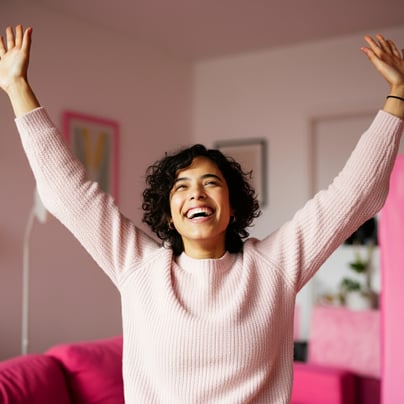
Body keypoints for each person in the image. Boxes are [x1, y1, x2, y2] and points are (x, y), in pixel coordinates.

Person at [0, 25, 403, 403]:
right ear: (171, 216)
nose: (196, 192)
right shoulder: (138, 266)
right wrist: (18, 88)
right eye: (181, 186)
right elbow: (70, 192)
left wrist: (398, 95)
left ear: (231, 207)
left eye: (211, 183)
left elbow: (353, 193)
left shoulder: (275, 266)